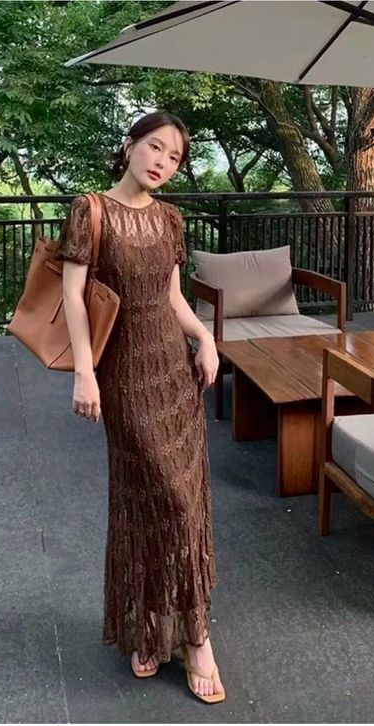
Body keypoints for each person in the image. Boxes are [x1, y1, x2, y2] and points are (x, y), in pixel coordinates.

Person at [54, 112, 226, 704]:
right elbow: (73, 296)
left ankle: (181, 632)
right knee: (156, 501)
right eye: (155, 147)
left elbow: (172, 296)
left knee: (182, 505)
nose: (162, 162)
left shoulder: (170, 218)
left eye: (174, 157)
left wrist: (204, 338)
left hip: (174, 375)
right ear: (130, 145)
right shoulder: (91, 210)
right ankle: (169, 629)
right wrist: (84, 372)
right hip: (124, 377)